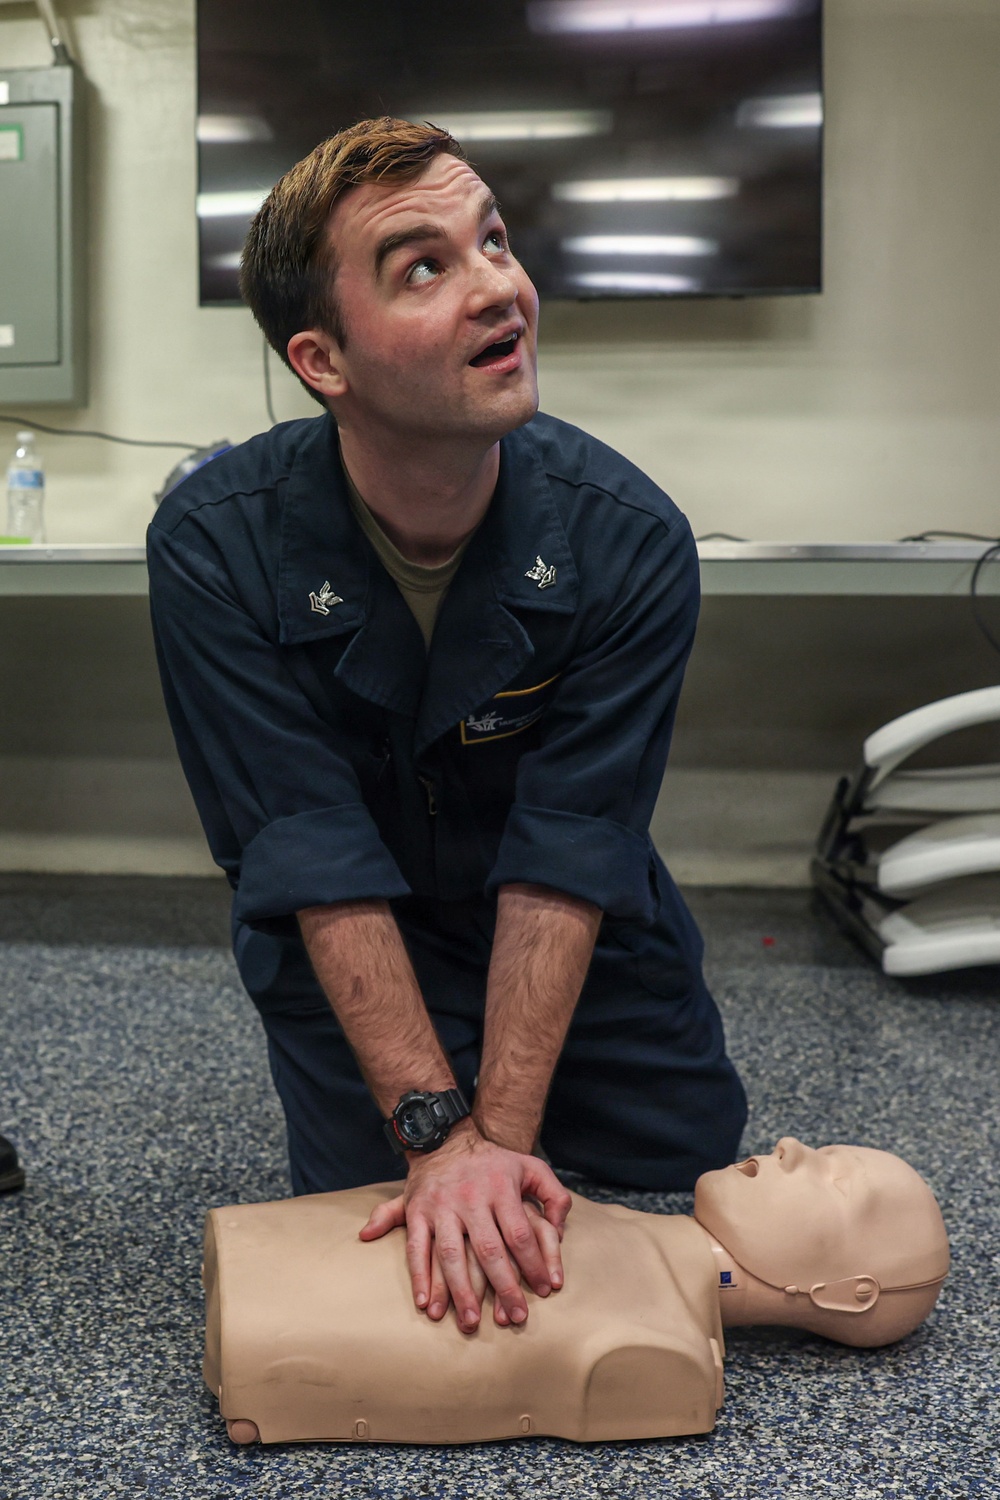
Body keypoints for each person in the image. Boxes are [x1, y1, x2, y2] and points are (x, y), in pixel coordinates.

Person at [147, 116, 746, 1337]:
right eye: (424, 267)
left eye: (494, 241)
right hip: (355, 935)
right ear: (324, 361)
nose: (498, 287)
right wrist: (435, 1129)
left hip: (564, 915)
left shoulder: (630, 540)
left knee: (686, 1146)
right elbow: (305, 846)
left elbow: (573, 844)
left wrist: (499, 1143)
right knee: (363, 1201)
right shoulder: (215, 546)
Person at [203, 1139, 950, 1445]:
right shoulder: (628, 1235)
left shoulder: (663, 1350)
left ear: (847, 1293)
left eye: (835, 1181)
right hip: (260, 1265)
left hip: (266, 1337)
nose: (791, 1148)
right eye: (821, 1149)